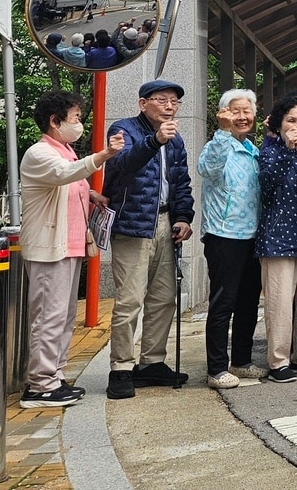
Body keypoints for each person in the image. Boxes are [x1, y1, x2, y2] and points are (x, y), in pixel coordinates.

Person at [18, 91, 124, 408]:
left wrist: (91, 194)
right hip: (50, 248)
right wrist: (104, 155)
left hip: (68, 247)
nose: (79, 124)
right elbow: (62, 175)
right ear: (55, 121)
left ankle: (53, 377)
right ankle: (39, 386)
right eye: (75, 118)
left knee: (62, 317)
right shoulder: (39, 153)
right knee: (49, 318)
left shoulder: (65, 151)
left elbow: (70, 180)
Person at [102, 79, 195, 399]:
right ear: (143, 103)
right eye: (162, 100)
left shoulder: (176, 139)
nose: (170, 106)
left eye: (175, 102)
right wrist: (154, 141)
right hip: (133, 224)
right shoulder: (124, 129)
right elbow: (122, 164)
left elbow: (182, 181)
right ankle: (120, 368)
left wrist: (183, 217)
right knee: (129, 300)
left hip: (167, 222)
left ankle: (152, 362)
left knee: (164, 297)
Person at [197, 89, 265, 389]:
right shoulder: (218, 145)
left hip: (253, 235)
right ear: (224, 114)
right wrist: (223, 133)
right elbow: (207, 169)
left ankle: (241, 360)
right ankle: (216, 368)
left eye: (246, 111)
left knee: (249, 302)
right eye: (235, 111)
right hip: (224, 235)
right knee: (224, 302)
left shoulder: (253, 150)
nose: (242, 117)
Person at [256, 95, 297, 382]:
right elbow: (266, 187)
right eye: (291, 120)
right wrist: (286, 150)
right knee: (279, 304)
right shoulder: (269, 152)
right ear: (279, 124)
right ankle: (278, 361)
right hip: (277, 239)